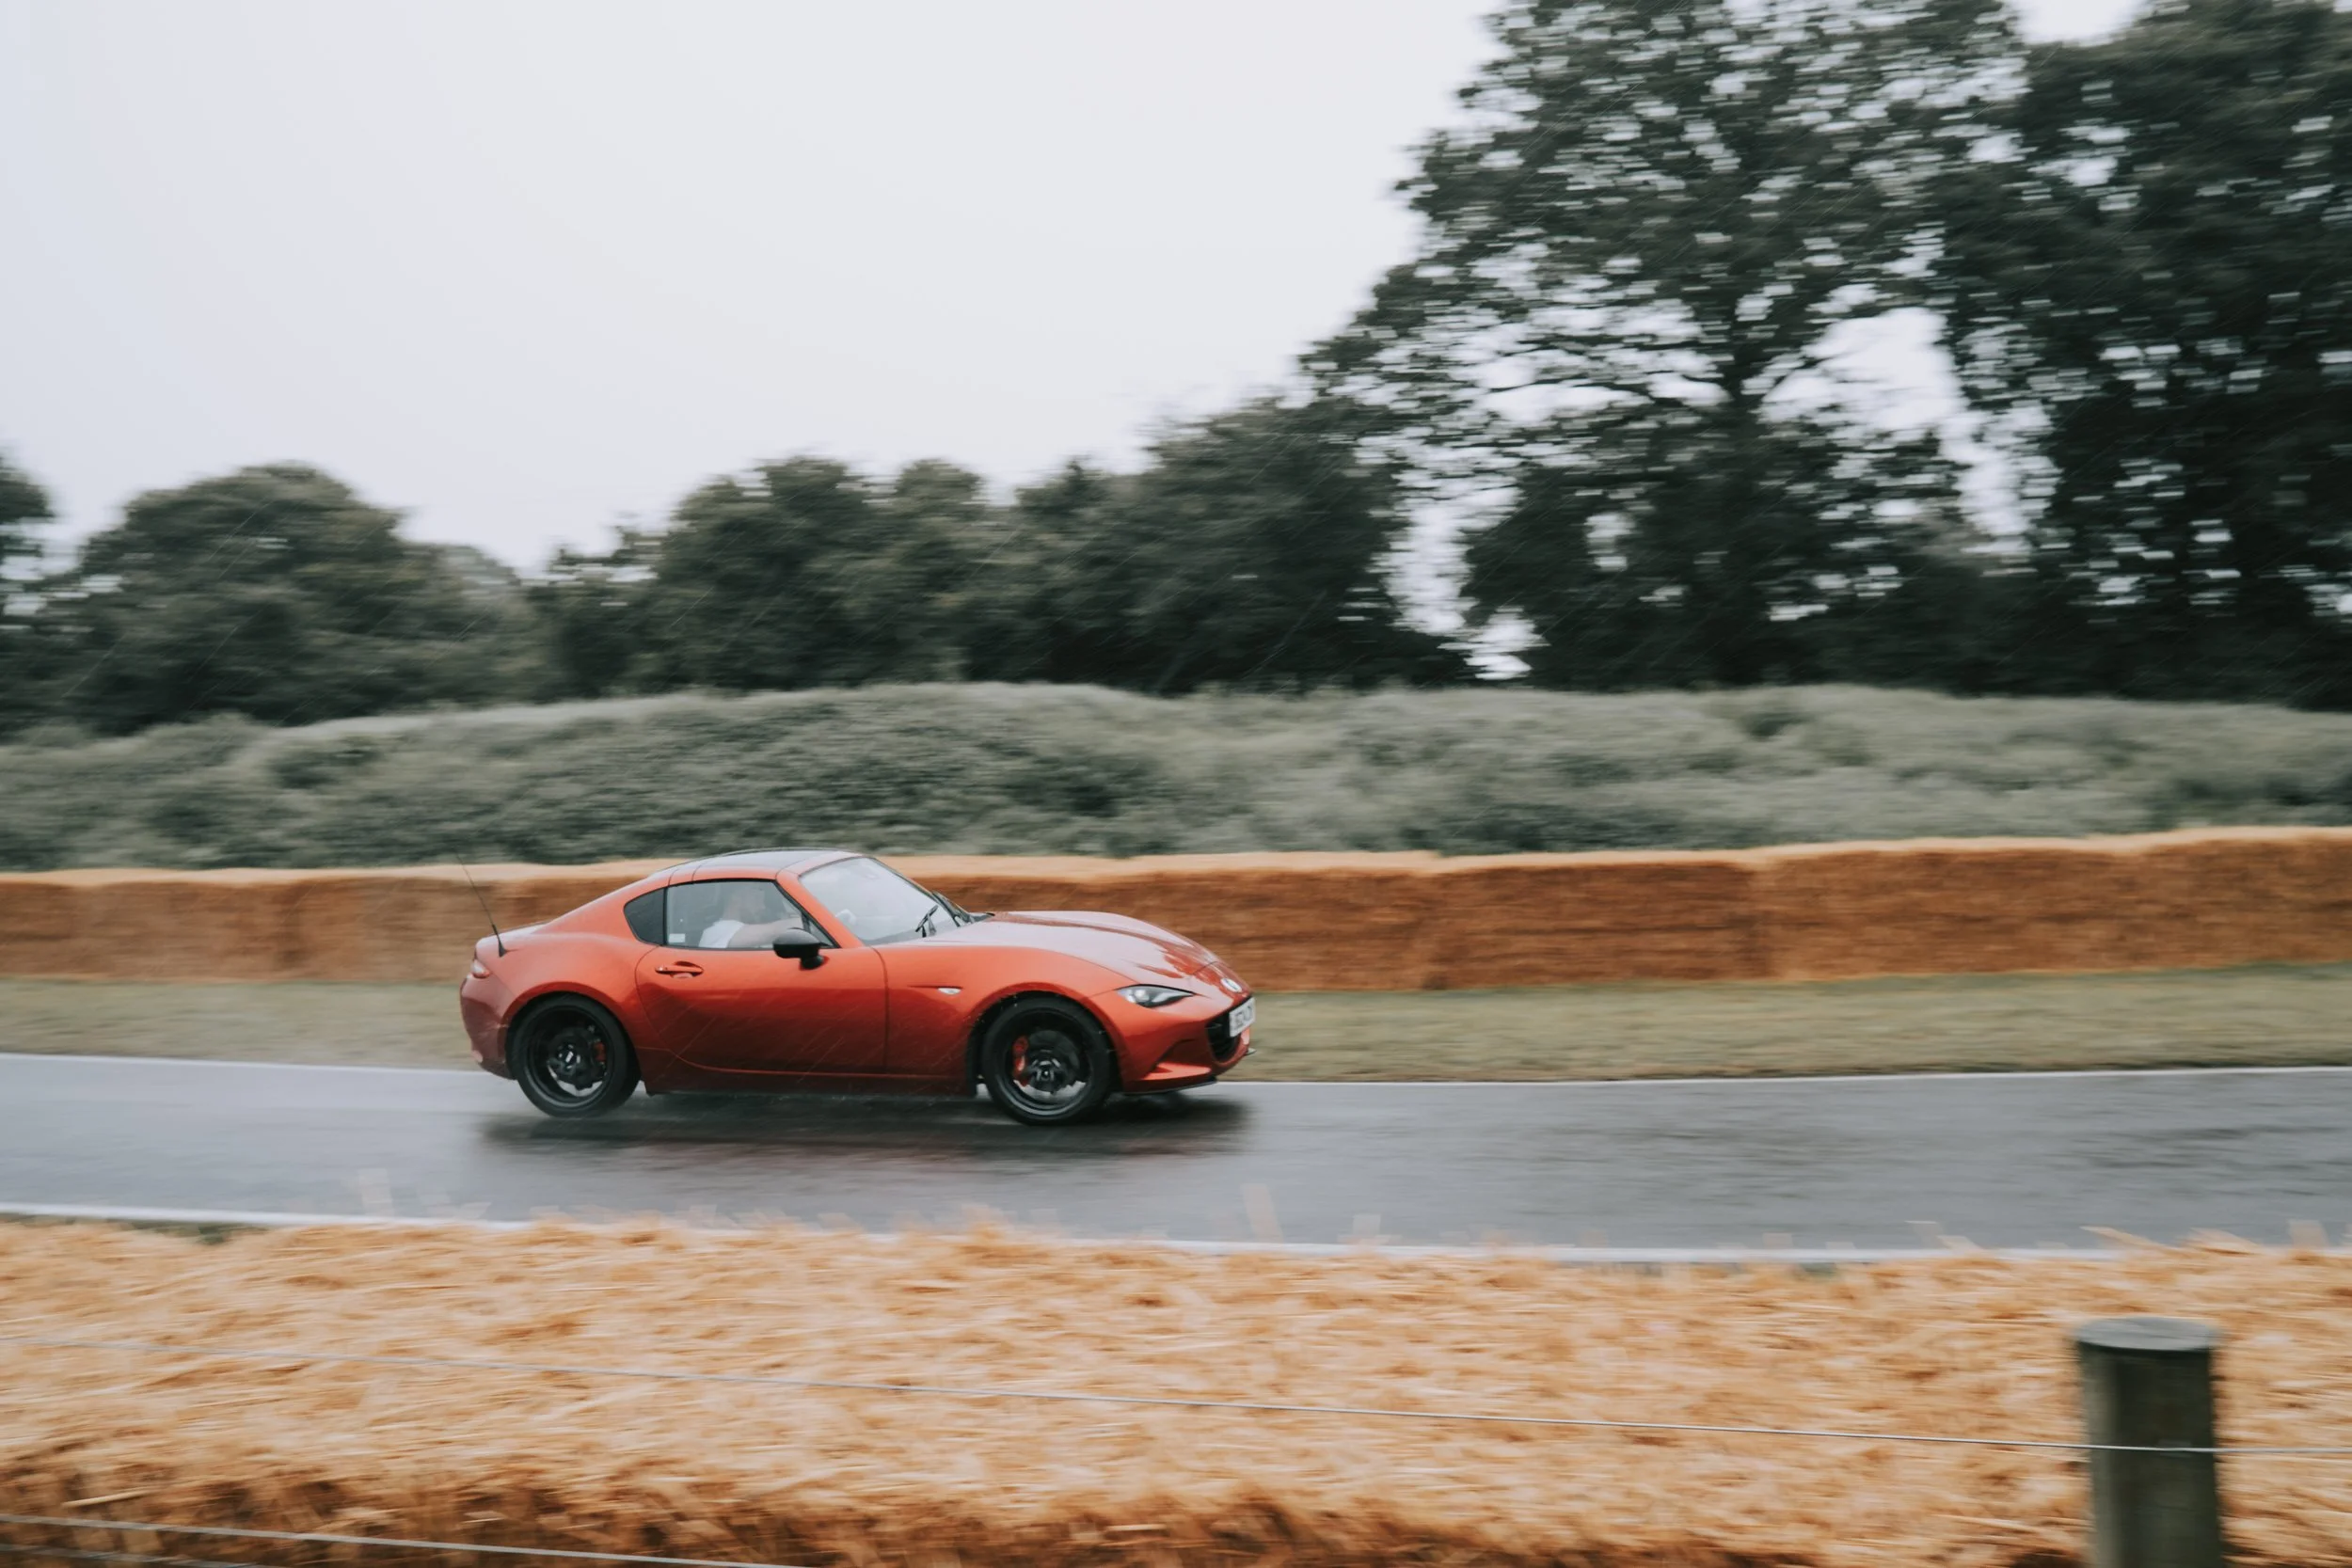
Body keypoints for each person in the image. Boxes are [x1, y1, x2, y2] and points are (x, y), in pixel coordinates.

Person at [697, 882, 812, 950]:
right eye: (756, 898)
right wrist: (816, 923)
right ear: (736, 898)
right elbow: (773, 931)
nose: (762, 908)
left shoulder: (741, 931)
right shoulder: (718, 930)